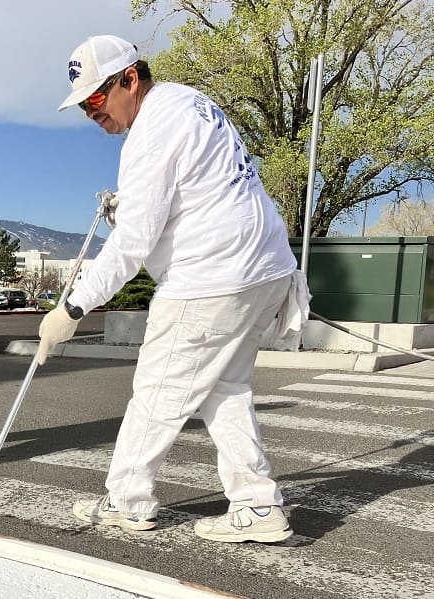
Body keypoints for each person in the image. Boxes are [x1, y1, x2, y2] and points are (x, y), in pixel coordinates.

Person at [37, 35, 310, 543]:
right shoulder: (188, 101)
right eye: (84, 107)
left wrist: (71, 307)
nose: (93, 115)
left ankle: (126, 501)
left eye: (97, 99)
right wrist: (133, 204)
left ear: (130, 79)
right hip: (265, 266)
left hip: (213, 277)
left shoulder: (149, 133)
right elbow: (191, 194)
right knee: (224, 388)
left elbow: (131, 245)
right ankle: (257, 503)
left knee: (157, 391)